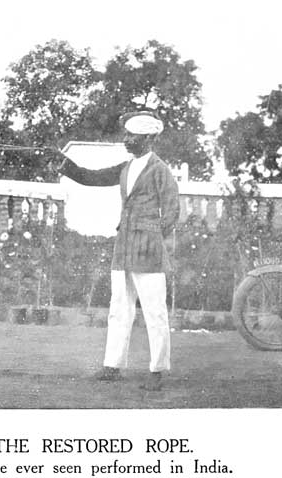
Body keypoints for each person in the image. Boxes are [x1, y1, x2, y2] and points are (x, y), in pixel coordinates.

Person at [58, 111, 180, 391]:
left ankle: (158, 371)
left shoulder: (160, 170)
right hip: (123, 247)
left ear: (148, 138)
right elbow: (92, 177)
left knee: (155, 312)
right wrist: (65, 165)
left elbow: (172, 210)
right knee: (119, 309)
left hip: (148, 250)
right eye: (126, 134)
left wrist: (153, 236)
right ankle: (112, 366)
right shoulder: (126, 167)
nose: (126, 139)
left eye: (131, 136)